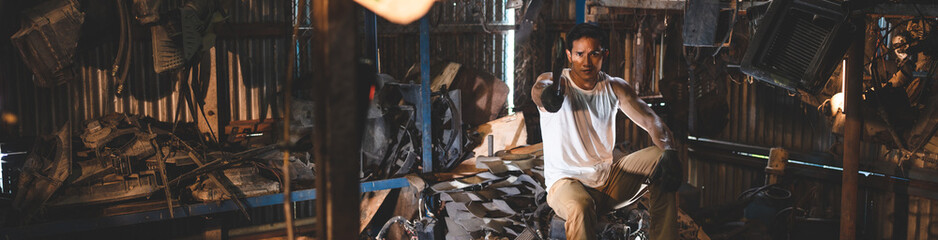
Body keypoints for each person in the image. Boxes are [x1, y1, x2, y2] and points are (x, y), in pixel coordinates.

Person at [531, 23, 681, 240]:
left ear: (605, 55)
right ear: (569, 55)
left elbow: (651, 120)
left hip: (607, 182)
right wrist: (547, 96)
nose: (586, 61)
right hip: (566, 184)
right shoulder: (558, 83)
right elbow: (539, 89)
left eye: (594, 54)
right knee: (580, 208)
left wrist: (669, 150)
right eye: (579, 54)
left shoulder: (614, 87)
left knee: (663, 160)